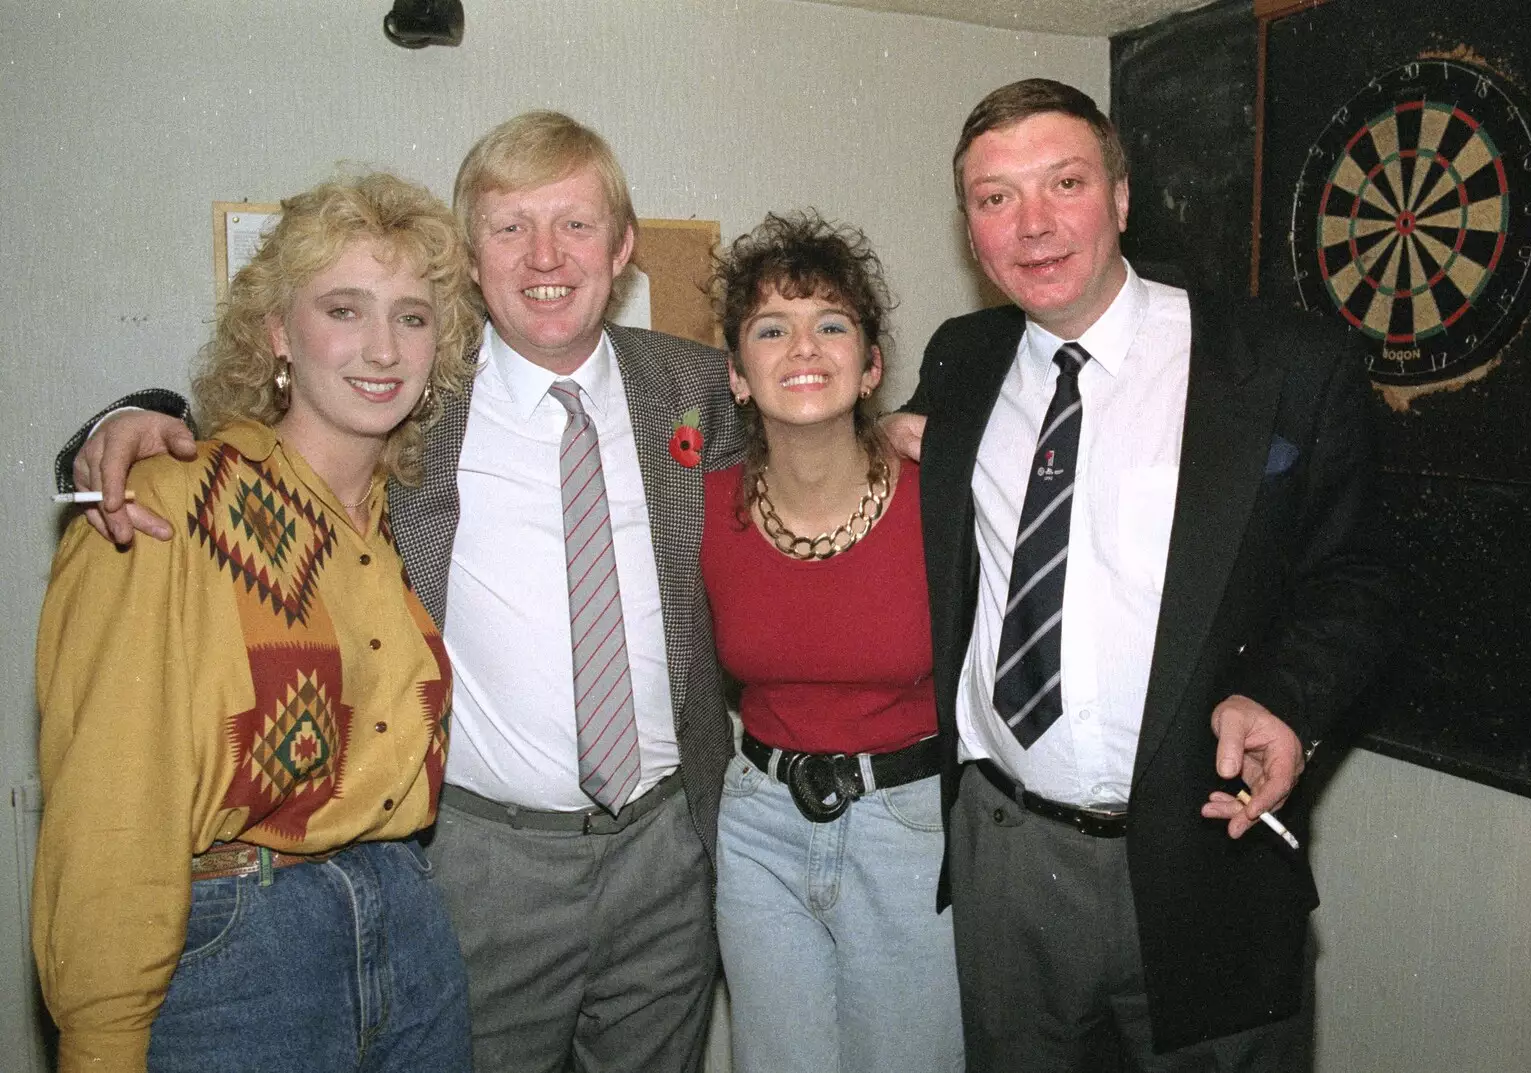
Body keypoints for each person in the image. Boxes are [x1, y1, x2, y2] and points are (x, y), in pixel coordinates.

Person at [58, 112, 742, 1073]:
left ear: (623, 247)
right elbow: (259, 433)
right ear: (469, 260)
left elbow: (817, 451)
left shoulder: (698, 385)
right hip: (479, 865)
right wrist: (135, 417)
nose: (544, 256)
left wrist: (907, 430)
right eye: (509, 227)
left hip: (668, 851)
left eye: (576, 225)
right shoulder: (420, 403)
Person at [889, 78, 1392, 1071]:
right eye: (995, 198)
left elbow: (1359, 575)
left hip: (1206, 853)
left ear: (1120, 197)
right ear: (968, 226)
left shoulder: (1281, 363)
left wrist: (1286, 701)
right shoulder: (962, 359)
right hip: (1007, 858)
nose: (1031, 225)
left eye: (1062, 183)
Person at [33, 172, 480, 1073]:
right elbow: (110, 814)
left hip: (414, 932)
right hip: (239, 954)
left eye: (413, 316)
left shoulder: (406, 517)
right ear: (279, 331)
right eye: (344, 309)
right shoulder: (162, 503)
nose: (382, 347)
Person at [701, 212, 962, 1073]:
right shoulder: (705, 511)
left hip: (911, 827)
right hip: (761, 827)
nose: (802, 347)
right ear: (739, 375)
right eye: (771, 328)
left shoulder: (942, 498)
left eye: (832, 323)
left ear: (872, 366)